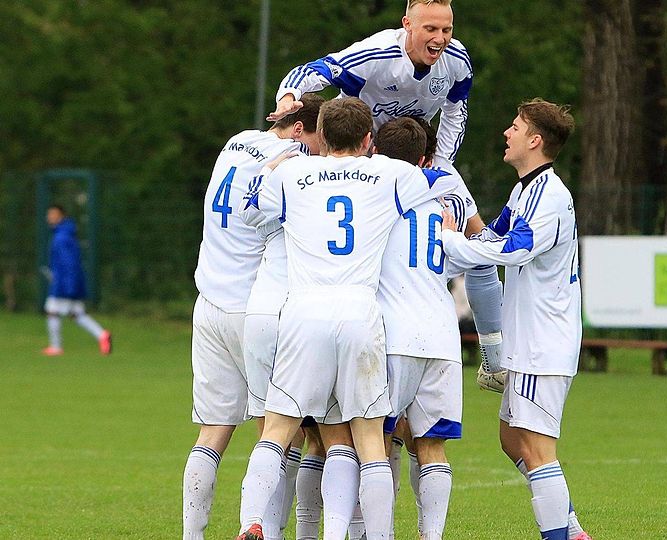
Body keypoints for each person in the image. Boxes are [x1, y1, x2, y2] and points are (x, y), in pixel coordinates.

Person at [235, 98, 459, 540]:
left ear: (320, 131)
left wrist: (279, 160)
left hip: (303, 311)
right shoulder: (392, 174)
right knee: (370, 438)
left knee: (278, 428)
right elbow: (439, 189)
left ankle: (251, 521)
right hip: (360, 312)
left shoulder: (293, 174)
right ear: (368, 139)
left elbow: (250, 209)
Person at [441, 98, 591, 540]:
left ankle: (562, 536)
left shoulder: (549, 195)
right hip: (530, 339)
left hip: (544, 340)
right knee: (512, 438)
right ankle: (574, 530)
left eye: (515, 126)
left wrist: (451, 244)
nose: (506, 133)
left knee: (538, 448)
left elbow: (514, 249)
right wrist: (457, 240)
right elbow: (492, 235)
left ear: (535, 140)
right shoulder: (524, 189)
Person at [183, 101, 323, 540]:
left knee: (212, 432)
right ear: (299, 131)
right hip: (254, 309)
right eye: (318, 137)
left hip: (208, 303)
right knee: (280, 433)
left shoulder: (236, 141)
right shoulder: (293, 161)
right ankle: (265, 529)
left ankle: (192, 535)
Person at [373, 116, 478, 540]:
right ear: (424, 159)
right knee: (432, 447)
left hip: (394, 336)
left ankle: (375, 533)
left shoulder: (376, 204)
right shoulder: (441, 210)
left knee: (376, 441)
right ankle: (431, 536)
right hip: (442, 336)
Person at [237, 93, 326, 540]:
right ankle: (308, 532)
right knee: (324, 438)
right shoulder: (342, 179)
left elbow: (248, 211)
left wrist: (270, 170)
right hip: (305, 316)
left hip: (260, 311)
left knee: (271, 434)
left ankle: (260, 527)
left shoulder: (285, 173)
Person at [268, 0, 471, 168]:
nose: (440, 38)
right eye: (431, 29)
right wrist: (289, 95)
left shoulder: (456, 60)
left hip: (407, 155)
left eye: (447, 30)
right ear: (407, 24)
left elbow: (455, 113)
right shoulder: (377, 54)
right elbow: (318, 69)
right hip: (355, 150)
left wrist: (442, 164)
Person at [41, 205, 111, 356]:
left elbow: (69, 263)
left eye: (53, 214)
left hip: (64, 283)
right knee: (76, 314)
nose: (49, 217)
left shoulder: (61, 237)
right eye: (49, 214)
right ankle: (102, 335)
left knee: (52, 311)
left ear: (62, 216)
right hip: (69, 281)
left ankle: (56, 346)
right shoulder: (64, 233)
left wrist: (69, 285)